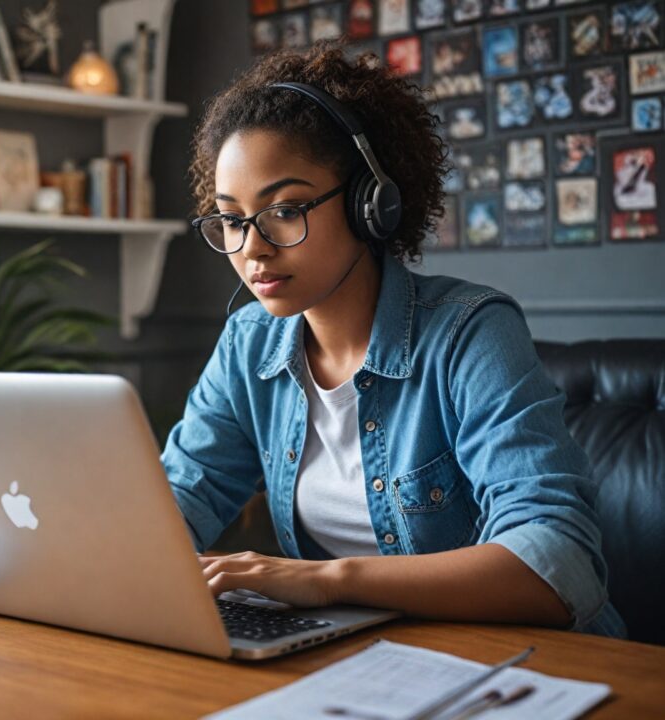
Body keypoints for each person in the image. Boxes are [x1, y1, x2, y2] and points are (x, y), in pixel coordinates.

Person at [161, 41, 626, 638]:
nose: (251, 246)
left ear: (369, 205)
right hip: (357, 656)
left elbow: (558, 561)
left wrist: (327, 581)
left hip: (526, 665)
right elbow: (177, 499)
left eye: (286, 209)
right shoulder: (249, 344)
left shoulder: (470, 333)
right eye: (231, 218)